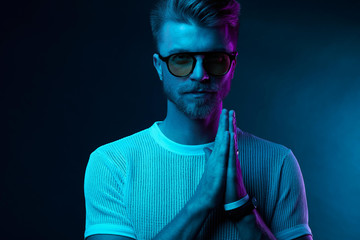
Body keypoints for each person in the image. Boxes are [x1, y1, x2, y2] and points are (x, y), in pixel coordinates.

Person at [83, 0, 313, 239]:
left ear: (232, 66)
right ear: (159, 66)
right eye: (181, 59)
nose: (200, 74)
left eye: (216, 59)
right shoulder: (112, 163)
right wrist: (202, 200)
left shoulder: (278, 163)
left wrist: (242, 209)